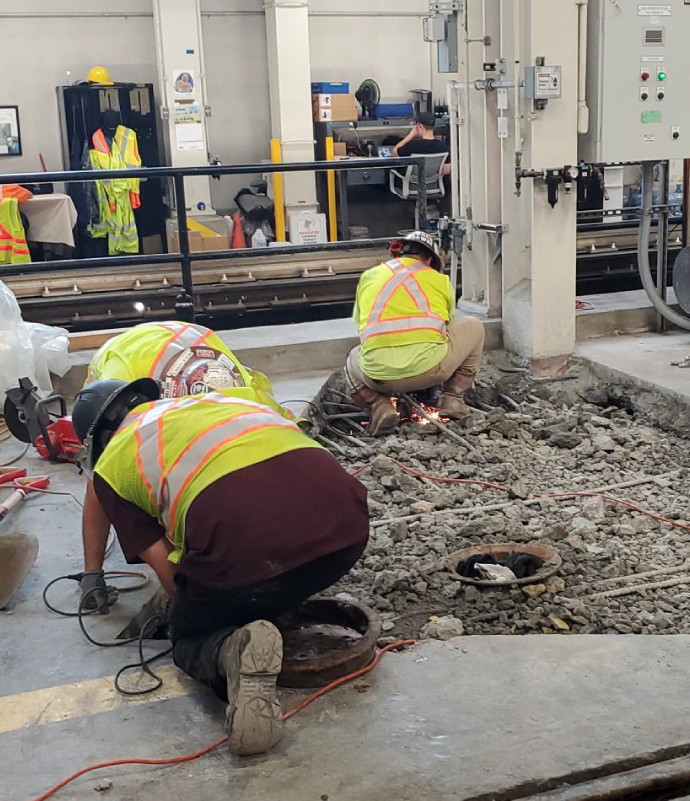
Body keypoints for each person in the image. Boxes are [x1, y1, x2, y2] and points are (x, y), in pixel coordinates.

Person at [72, 378, 370, 755]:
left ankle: (232, 653)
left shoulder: (113, 464)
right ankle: (271, 600)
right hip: (348, 536)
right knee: (264, 572)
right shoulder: (227, 401)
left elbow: (171, 579)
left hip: (244, 562)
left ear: (100, 440)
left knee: (184, 633)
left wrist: (189, 610)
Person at [79, 321, 297, 612]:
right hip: (129, 357)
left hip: (194, 341)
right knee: (125, 475)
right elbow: (102, 478)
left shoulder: (245, 393)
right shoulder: (121, 382)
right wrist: (92, 574)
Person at [345, 230, 484, 434]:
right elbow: (446, 326)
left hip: (378, 376)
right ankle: (452, 399)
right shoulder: (438, 280)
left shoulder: (369, 277)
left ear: (399, 255)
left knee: (352, 358)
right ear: (429, 261)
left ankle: (380, 405)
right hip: (432, 369)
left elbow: (361, 324)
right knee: (474, 326)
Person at [89, 109, 142, 255]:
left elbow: (135, 160)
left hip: (125, 186)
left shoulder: (128, 135)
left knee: (124, 220)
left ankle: (126, 248)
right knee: (114, 220)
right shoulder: (97, 138)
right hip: (108, 188)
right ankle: (120, 248)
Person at [393, 111, 451, 177]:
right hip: (433, 185)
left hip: (411, 185)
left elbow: (394, 153)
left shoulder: (412, 146)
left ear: (420, 126)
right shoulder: (443, 147)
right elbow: (447, 170)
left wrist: (410, 135)